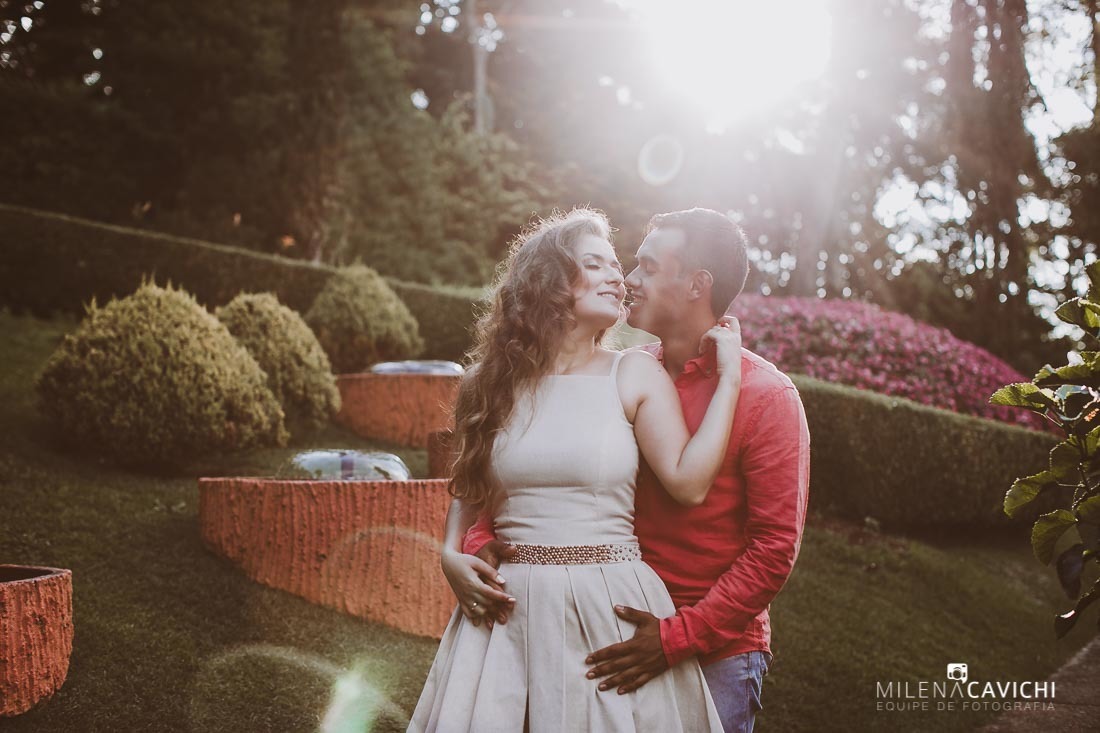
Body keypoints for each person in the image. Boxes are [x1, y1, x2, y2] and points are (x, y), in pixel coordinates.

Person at [456, 208, 811, 733]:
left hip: (711, 648)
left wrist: (675, 638)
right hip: (605, 621)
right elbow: (543, 468)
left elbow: (774, 549)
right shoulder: (624, 372)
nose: (628, 279)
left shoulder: (767, 396)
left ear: (697, 285)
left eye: (647, 266)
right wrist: (481, 540)